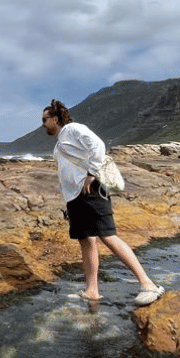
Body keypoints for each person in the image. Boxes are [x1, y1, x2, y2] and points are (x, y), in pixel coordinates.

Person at [41, 99, 164, 306]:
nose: (43, 123)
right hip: (76, 199)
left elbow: (97, 145)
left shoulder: (72, 129)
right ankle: (92, 291)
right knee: (87, 241)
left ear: (55, 118)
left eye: (45, 119)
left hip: (91, 191)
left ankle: (148, 285)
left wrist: (91, 173)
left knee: (107, 236)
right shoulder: (61, 142)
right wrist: (69, 201)